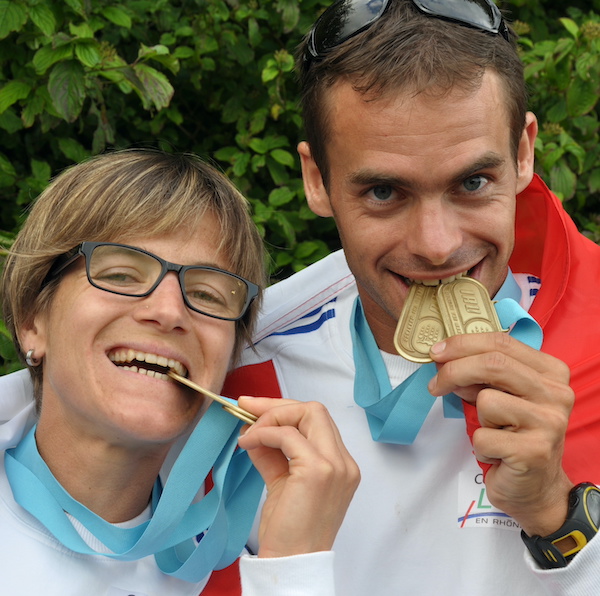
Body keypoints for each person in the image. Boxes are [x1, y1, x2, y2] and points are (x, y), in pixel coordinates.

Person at [222, 0, 600, 594]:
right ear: (316, 178)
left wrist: (557, 513)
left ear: (524, 152)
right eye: (383, 191)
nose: (436, 245)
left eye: (473, 183)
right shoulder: (239, 382)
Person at [0, 149, 359, 596]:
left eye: (207, 294)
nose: (170, 311)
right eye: (122, 274)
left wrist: (293, 568)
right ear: (32, 319)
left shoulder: (253, 569)